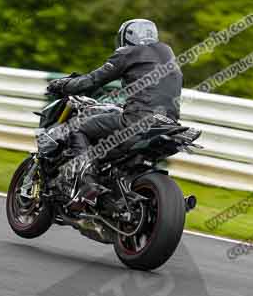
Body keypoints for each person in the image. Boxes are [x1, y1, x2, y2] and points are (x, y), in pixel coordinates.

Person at [47, 19, 183, 205]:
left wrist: (63, 84)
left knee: (77, 128)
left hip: (139, 120)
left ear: (127, 36)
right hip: (168, 123)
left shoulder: (128, 52)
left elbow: (91, 81)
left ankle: (86, 183)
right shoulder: (167, 54)